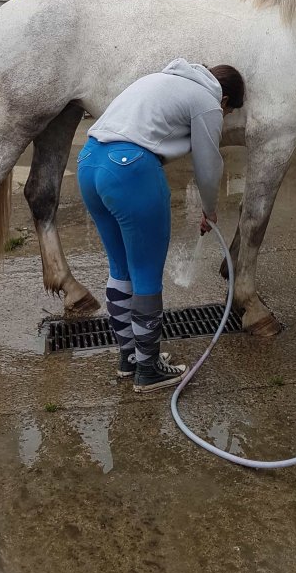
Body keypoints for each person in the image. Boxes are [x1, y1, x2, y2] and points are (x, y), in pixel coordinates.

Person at [77, 59, 245, 393]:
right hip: (130, 169)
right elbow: (208, 166)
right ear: (226, 102)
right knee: (146, 275)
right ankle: (149, 371)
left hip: (89, 162)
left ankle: (131, 358)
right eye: (228, 113)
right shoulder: (208, 102)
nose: (223, 118)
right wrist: (210, 212)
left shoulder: (162, 79)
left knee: (120, 270)